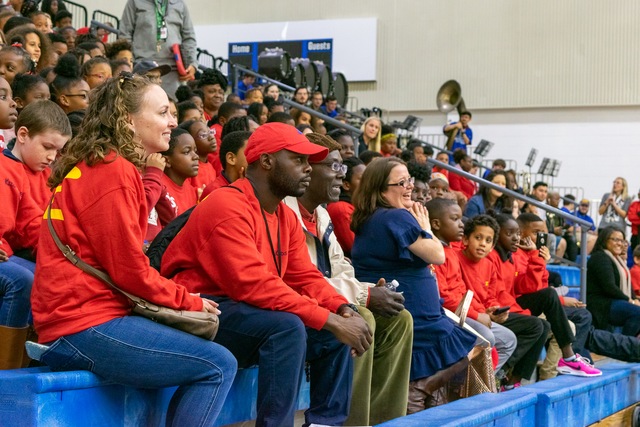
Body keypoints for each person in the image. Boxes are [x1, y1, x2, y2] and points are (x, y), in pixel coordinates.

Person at [30, 74, 237, 424]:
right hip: (82, 325)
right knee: (218, 365)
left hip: (79, 319)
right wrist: (191, 300)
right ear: (128, 119)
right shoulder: (114, 171)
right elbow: (131, 273)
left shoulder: (107, 165)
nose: (172, 121)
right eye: (161, 113)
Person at [161, 122, 372, 426]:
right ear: (267, 161)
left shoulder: (284, 215)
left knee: (332, 335)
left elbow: (305, 277)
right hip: (198, 310)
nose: (309, 169)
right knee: (287, 327)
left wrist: (343, 310)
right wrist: (330, 319)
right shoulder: (226, 204)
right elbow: (253, 286)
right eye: (299, 160)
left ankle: (325, 424)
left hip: (241, 311)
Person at [284, 133, 412, 426]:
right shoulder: (287, 210)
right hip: (301, 302)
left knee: (400, 318)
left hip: (329, 295)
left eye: (342, 168)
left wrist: (366, 290)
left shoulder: (322, 214)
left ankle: (384, 419)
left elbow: (341, 268)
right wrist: (363, 297)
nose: (341, 177)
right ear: (307, 168)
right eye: (334, 167)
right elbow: (300, 277)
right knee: (361, 316)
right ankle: (352, 422)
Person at [350, 157, 476, 411]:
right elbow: (437, 255)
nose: (409, 186)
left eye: (409, 179)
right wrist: (426, 228)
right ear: (381, 188)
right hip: (414, 319)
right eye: (401, 182)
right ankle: (418, 391)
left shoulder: (374, 216)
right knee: (476, 346)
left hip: (412, 314)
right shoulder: (395, 216)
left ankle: (422, 396)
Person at [491, 213, 601, 379]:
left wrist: (539, 259)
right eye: (536, 232)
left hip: (519, 304)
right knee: (546, 323)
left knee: (575, 317)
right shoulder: (510, 255)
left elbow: (536, 287)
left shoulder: (518, 254)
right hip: (506, 308)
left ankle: (530, 377)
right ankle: (562, 363)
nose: (515, 238)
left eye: (544, 232)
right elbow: (523, 291)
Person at [428, 199, 517, 373]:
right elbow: (443, 297)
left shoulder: (450, 253)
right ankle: (463, 385)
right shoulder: (436, 253)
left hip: (464, 312)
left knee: (509, 339)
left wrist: (484, 313)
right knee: (487, 337)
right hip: (448, 315)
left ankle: (485, 381)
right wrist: (477, 315)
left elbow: (462, 291)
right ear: (436, 224)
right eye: (455, 220)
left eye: (461, 219)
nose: (461, 225)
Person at [121, 0, 198, 97]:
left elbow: (189, 37)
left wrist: (192, 63)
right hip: (143, 68)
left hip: (173, 70)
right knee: (144, 106)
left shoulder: (179, 4)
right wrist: (129, 61)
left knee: (172, 108)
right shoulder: (135, 2)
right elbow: (125, 35)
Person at [10, 100, 71, 210]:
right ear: (23, 135)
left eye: (57, 150)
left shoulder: (49, 175)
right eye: (47, 147)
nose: (52, 157)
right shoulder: (5, 172)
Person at [587, 226, 640, 336]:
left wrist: (635, 299)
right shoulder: (600, 257)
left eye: (622, 240)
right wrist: (631, 301)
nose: (620, 243)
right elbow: (609, 287)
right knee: (638, 312)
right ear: (604, 239)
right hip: (602, 304)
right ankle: (624, 346)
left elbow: (629, 288)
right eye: (616, 239)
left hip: (616, 301)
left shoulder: (619, 260)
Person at [327, 156, 364, 258]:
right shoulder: (341, 209)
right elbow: (357, 249)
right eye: (362, 179)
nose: (368, 183)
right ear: (346, 185)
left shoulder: (355, 206)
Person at [160, 127, 198, 215]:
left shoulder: (190, 190)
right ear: (167, 161)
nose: (196, 156)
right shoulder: (160, 188)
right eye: (186, 152)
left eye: (195, 151)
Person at [179, 119, 216, 197]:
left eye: (210, 132)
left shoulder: (211, 167)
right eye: (203, 135)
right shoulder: (189, 167)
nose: (211, 137)